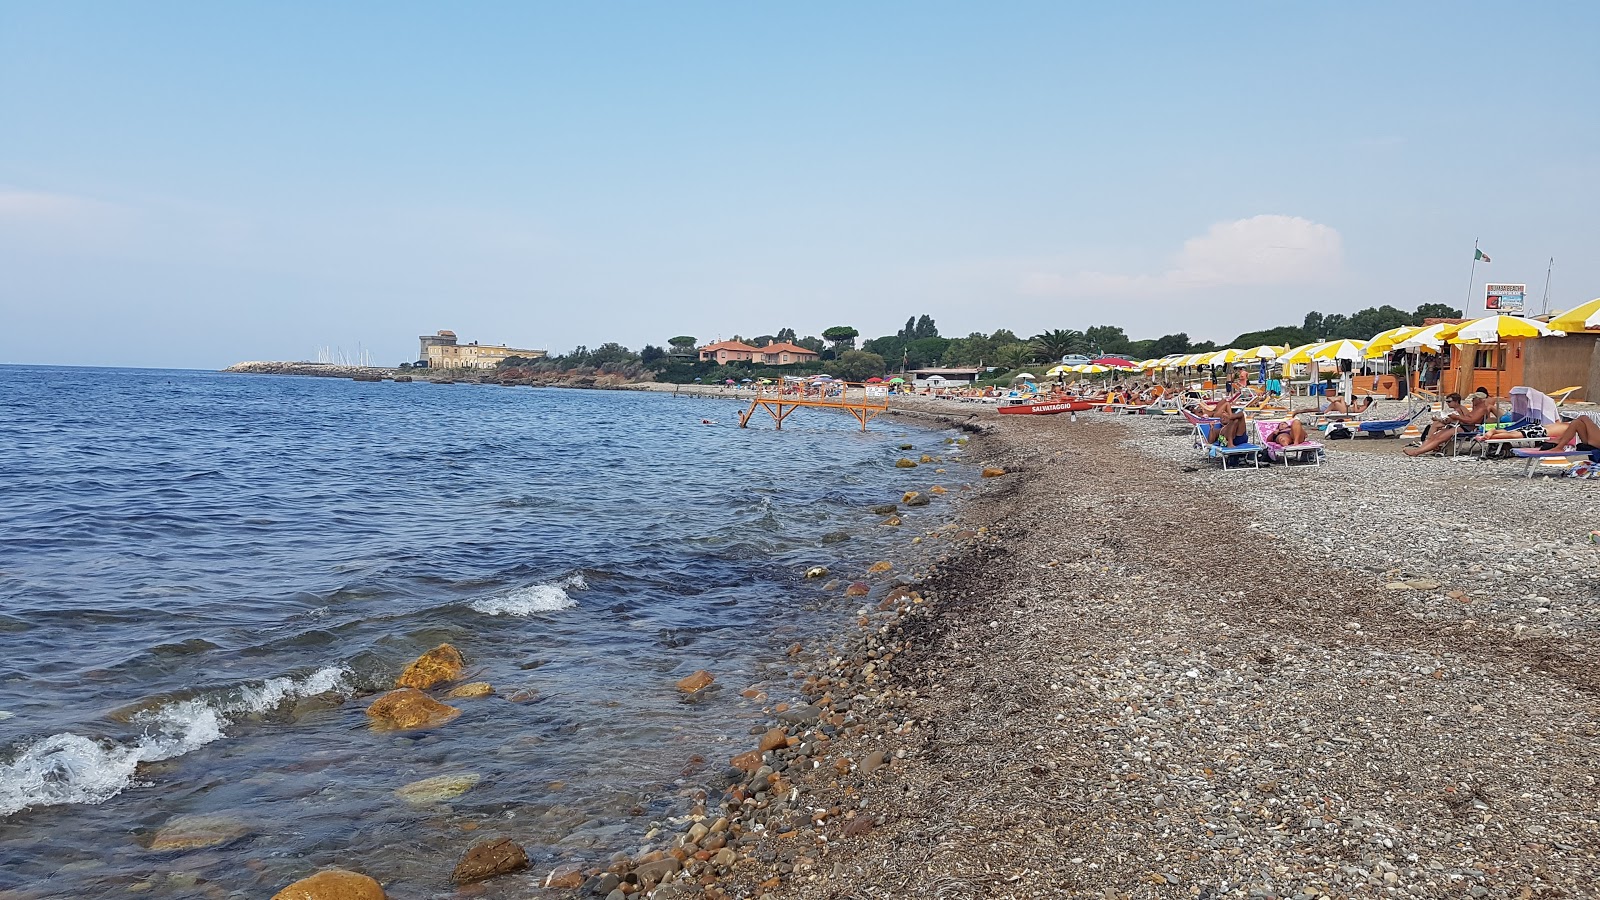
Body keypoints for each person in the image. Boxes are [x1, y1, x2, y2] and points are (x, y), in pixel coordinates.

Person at [1404, 391, 1495, 456]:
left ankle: (1417, 452)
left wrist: (1456, 417)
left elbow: (1471, 421)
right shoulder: (1478, 408)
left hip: (1465, 428)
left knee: (1438, 438)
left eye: (1474, 399)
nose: (1472, 400)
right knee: (1436, 436)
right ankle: (1419, 450)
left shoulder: (1481, 409)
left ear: (1479, 399)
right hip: (1462, 426)